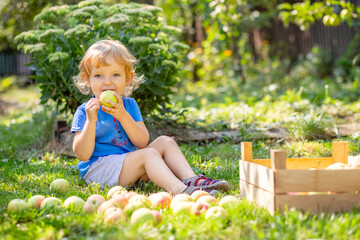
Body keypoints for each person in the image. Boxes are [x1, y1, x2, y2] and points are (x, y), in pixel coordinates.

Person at [71, 39, 230, 195]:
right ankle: (181, 191)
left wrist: (123, 115)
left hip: (129, 168)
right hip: (100, 172)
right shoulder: (85, 111)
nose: (107, 82)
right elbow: (83, 155)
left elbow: (141, 142)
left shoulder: (129, 106)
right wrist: (91, 121)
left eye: (115, 75)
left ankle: (193, 180)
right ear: (87, 79)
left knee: (165, 142)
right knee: (149, 155)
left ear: (128, 78)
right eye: (98, 75)